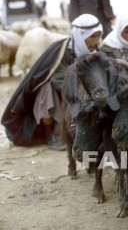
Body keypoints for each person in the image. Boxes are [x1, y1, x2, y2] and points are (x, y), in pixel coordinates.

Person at [1, 14, 103, 150]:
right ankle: (53, 134)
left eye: (98, 36)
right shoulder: (61, 50)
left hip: (90, 96)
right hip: (63, 96)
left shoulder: (97, 51)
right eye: (92, 36)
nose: (96, 41)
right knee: (45, 89)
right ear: (80, 35)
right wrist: (80, 91)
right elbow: (57, 78)